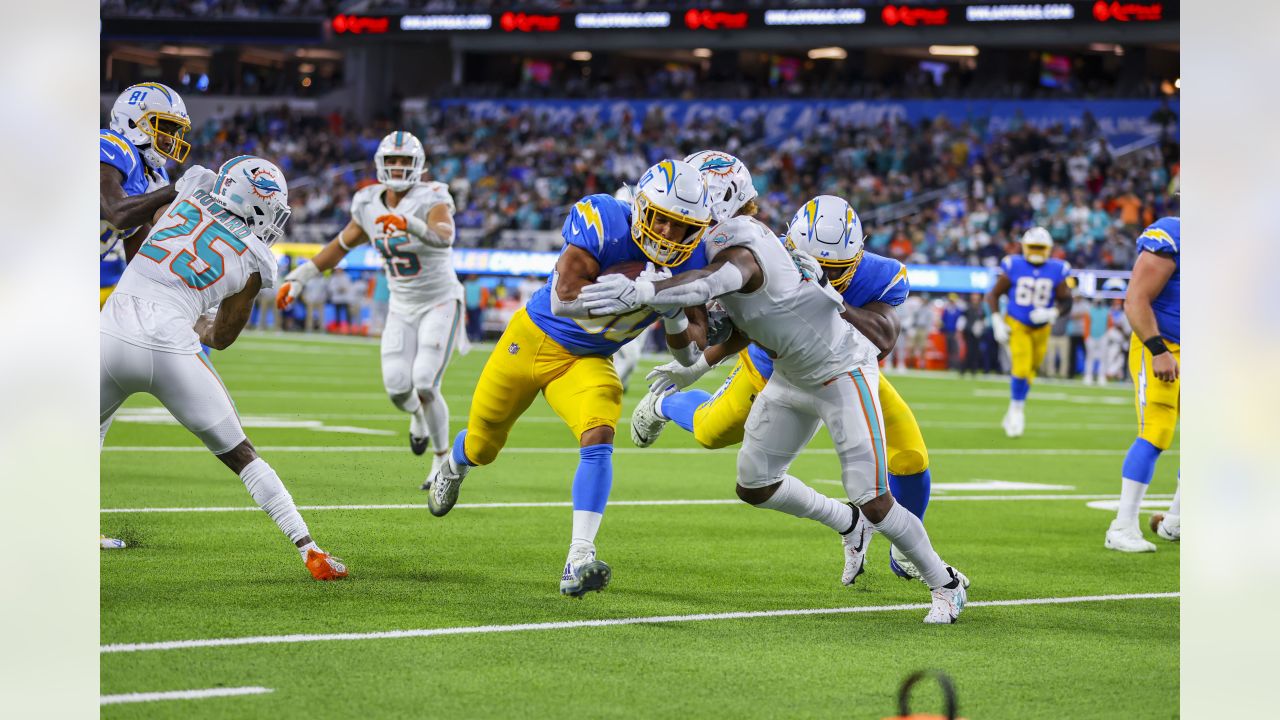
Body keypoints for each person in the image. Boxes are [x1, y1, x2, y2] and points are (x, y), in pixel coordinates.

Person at [580, 191, 968, 624]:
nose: (831, 274)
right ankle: (847, 521)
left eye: (840, 269)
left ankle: (945, 583)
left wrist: (832, 294)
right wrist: (697, 365)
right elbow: (753, 314)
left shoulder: (869, 277)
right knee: (753, 484)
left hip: (844, 372)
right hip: (785, 371)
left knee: (874, 495)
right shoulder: (762, 253)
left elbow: (882, 336)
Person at [424, 159, 715, 598]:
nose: (670, 237)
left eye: (682, 227)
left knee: (599, 432)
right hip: (533, 340)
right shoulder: (605, 222)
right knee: (484, 444)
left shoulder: (693, 259)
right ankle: (454, 464)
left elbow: (689, 351)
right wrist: (622, 289)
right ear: (640, 209)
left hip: (589, 359)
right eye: (662, 221)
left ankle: (579, 556)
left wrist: (671, 309)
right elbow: (563, 301)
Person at [100, 156, 347, 581]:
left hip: (109, 332)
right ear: (259, 203)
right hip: (171, 349)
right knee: (242, 455)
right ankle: (310, 550)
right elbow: (221, 337)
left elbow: (138, 236)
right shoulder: (257, 259)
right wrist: (196, 315)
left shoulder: (181, 199)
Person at [278, 131, 464, 479]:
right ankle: (419, 416)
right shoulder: (367, 202)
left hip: (439, 301)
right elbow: (340, 245)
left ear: (418, 165)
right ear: (380, 163)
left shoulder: (432, 196)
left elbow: (445, 235)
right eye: (391, 160)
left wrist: (410, 223)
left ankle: (441, 461)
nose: (396, 167)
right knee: (397, 389)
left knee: (424, 381)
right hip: (401, 304)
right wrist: (300, 277)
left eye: (404, 161)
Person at [99, 82, 192, 550]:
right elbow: (115, 213)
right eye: (164, 127)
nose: (171, 140)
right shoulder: (110, 147)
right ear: (134, 120)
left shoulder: (148, 181)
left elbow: (141, 263)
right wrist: (174, 193)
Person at [1105, 216, 1180, 552]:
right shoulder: (1172, 235)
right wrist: (1157, 350)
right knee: (1156, 430)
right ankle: (1121, 526)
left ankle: (1176, 520)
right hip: (1163, 344)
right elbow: (1135, 299)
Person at [986, 227, 1073, 437]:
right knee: (1022, 367)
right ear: (1024, 247)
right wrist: (997, 320)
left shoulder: (1057, 269)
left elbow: (1067, 301)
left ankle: (1015, 407)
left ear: (1048, 249)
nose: (1035, 251)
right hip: (1017, 324)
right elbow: (993, 295)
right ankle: (1017, 410)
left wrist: (1053, 311)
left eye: (1039, 247)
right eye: (1032, 246)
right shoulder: (1013, 265)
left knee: (1032, 370)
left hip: (1042, 328)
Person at [1082, 298, 1111, 385]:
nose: (1098, 303)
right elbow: (1086, 324)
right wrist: (1086, 337)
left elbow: (1109, 324)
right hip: (1091, 336)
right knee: (1090, 357)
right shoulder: (1089, 311)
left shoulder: (1106, 311)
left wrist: (1107, 335)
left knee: (1103, 357)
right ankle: (1088, 376)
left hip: (1103, 336)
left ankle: (1101, 376)